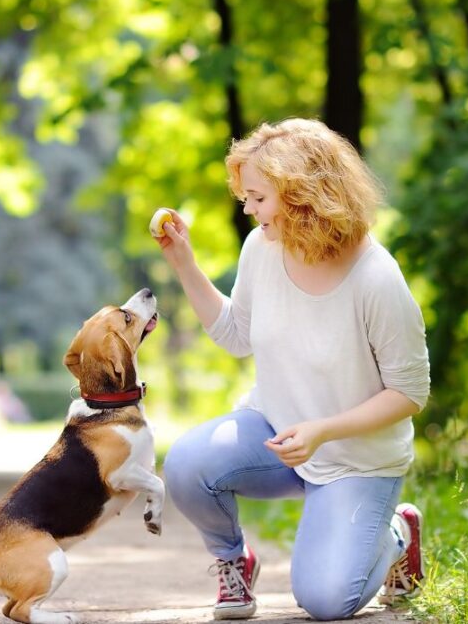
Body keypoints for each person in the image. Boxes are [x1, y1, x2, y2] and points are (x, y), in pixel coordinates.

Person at [153, 118, 429, 621]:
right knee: (187, 465)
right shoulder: (262, 247)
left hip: (356, 458)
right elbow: (236, 335)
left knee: (325, 602)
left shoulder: (377, 278)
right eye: (245, 196)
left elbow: (410, 393)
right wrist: (184, 265)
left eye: (258, 197)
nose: (247, 208)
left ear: (302, 194)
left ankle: (397, 534)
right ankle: (234, 563)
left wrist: (324, 431)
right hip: (277, 434)